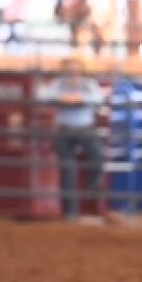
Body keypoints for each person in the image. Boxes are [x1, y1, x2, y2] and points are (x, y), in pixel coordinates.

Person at [44, 56, 105, 219]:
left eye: (76, 68)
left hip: (85, 129)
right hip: (64, 130)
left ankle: (92, 185)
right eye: (70, 68)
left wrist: (79, 99)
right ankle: (70, 212)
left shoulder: (89, 84)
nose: (73, 72)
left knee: (98, 156)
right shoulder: (58, 83)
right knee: (67, 169)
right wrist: (64, 99)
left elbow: (99, 98)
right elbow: (45, 96)